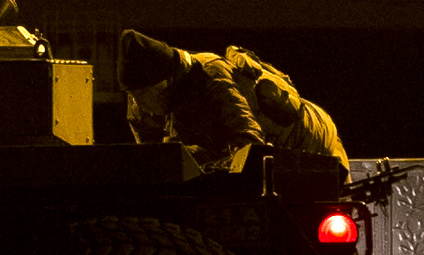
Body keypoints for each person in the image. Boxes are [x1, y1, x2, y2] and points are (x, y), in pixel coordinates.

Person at [118, 30, 346, 167]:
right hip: (243, 149)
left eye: (144, 95)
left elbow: (251, 147)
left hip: (308, 141)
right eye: (134, 96)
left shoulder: (212, 76)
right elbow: (154, 161)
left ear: (166, 81)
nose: (141, 104)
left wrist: (211, 170)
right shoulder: (141, 97)